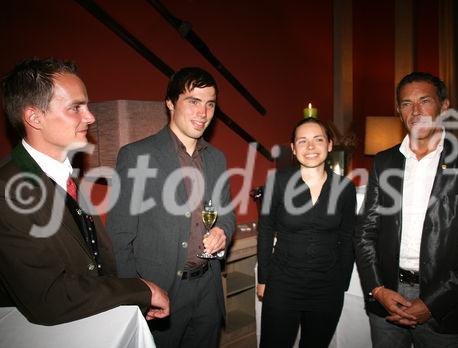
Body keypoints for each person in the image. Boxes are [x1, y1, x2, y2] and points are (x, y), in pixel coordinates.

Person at [0, 58, 169, 325]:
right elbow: (50, 298)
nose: (90, 118)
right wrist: (139, 290)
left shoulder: (65, 173)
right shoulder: (6, 193)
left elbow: (95, 257)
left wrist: (125, 300)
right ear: (34, 117)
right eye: (76, 108)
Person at [355, 72, 458, 347]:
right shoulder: (384, 162)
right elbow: (366, 232)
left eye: (424, 101)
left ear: (444, 107)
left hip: (444, 303)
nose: (416, 111)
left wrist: (431, 304)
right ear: (399, 111)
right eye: (406, 103)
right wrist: (377, 290)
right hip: (387, 296)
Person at [106, 67, 235, 348]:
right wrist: (137, 295)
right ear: (170, 102)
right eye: (193, 101)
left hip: (208, 290)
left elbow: (226, 213)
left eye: (210, 104)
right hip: (161, 293)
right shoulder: (136, 155)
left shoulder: (217, 159)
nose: (203, 112)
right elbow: (118, 237)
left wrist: (223, 230)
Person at [257, 117, 356, 348]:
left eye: (318, 139)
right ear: (293, 148)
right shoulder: (277, 182)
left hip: (327, 287)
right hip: (282, 284)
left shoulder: (345, 188)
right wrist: (263, 278)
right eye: (302, 141)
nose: (310, 147)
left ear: (330, 145)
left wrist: (341, 282)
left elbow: (348, 237)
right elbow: (265, 231)